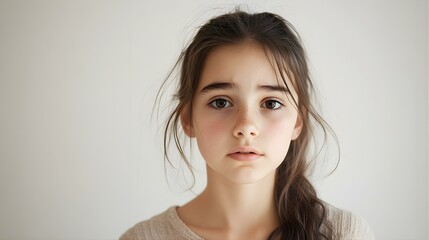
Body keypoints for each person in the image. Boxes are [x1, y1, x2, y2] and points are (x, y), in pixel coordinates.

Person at [120, 8, 374, 240]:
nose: (246, 126)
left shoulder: (343, 234)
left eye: (271, 103)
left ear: (298, 120)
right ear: (188, 118)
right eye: (220, 102)